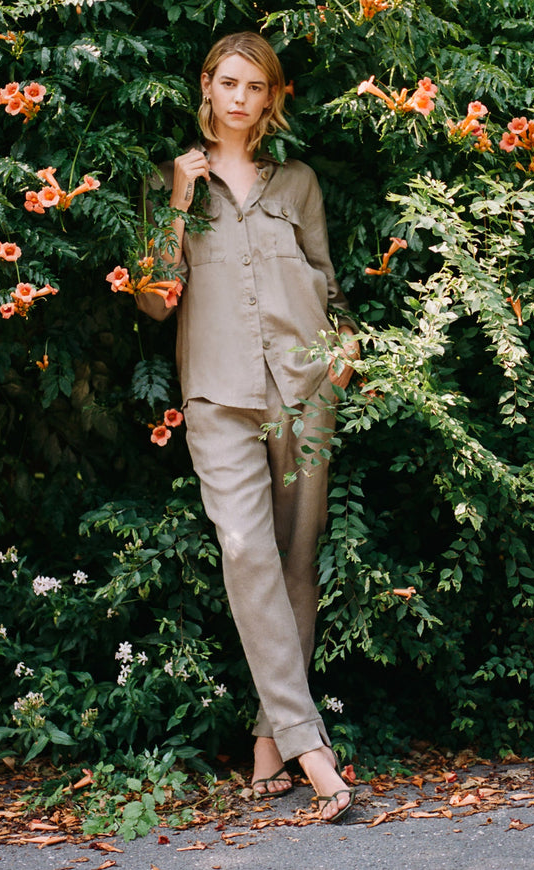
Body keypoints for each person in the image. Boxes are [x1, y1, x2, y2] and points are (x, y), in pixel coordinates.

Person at [136, 31, 360, 823]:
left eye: (254, 87)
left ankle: (269, 745)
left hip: (303, 387)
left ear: (271, 98)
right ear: (207, 85)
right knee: (245, 549)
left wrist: (346, 343)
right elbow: (155, 299)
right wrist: (173, 202)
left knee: (298, 562)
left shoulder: (296, 182)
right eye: (228, 82)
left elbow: (327, 284)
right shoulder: (174, 179)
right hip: (218, 396)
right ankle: (312, 750)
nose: (239, 97)